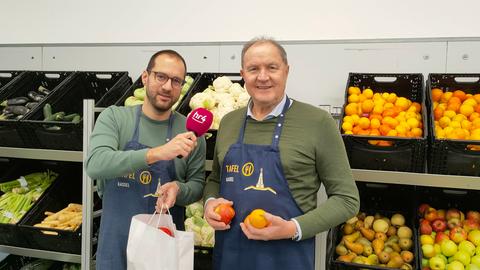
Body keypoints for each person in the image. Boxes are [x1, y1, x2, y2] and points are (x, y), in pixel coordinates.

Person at [203, 37, 360, 270]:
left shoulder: (317, 122)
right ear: (243, 74)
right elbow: (216, 179)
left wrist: (292, 228)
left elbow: (347, 200)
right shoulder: (228, 122)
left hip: (287, 259)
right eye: (253, 69)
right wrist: (210, 202)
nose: (263, 76)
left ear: (286, 71)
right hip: (230, 258)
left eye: (272, 67)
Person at [85, 50, 206, 270]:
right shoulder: (115, 118)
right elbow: (96, 164)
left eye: (176, 81)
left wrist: (179, 189)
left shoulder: (189, 131)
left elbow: (197, 186)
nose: (168, 87)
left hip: (164, 250)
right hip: (116, 248)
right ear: (145, 77)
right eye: (161, 76)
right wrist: (158, 153)